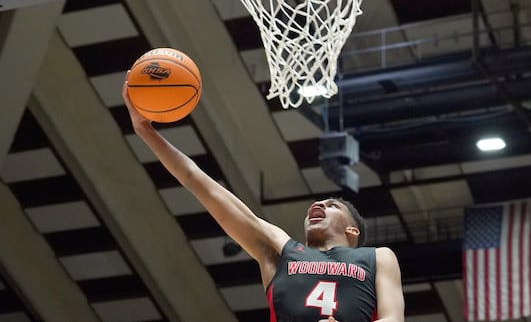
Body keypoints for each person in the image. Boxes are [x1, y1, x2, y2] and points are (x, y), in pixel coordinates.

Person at [121, 72, 405, 322]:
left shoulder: (377, 257)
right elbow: (199, 183)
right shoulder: (280, 250)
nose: (318, 204)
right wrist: (145, 131)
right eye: (318, 203)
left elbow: (394, 319)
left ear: (352, 229)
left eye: (332, 205)